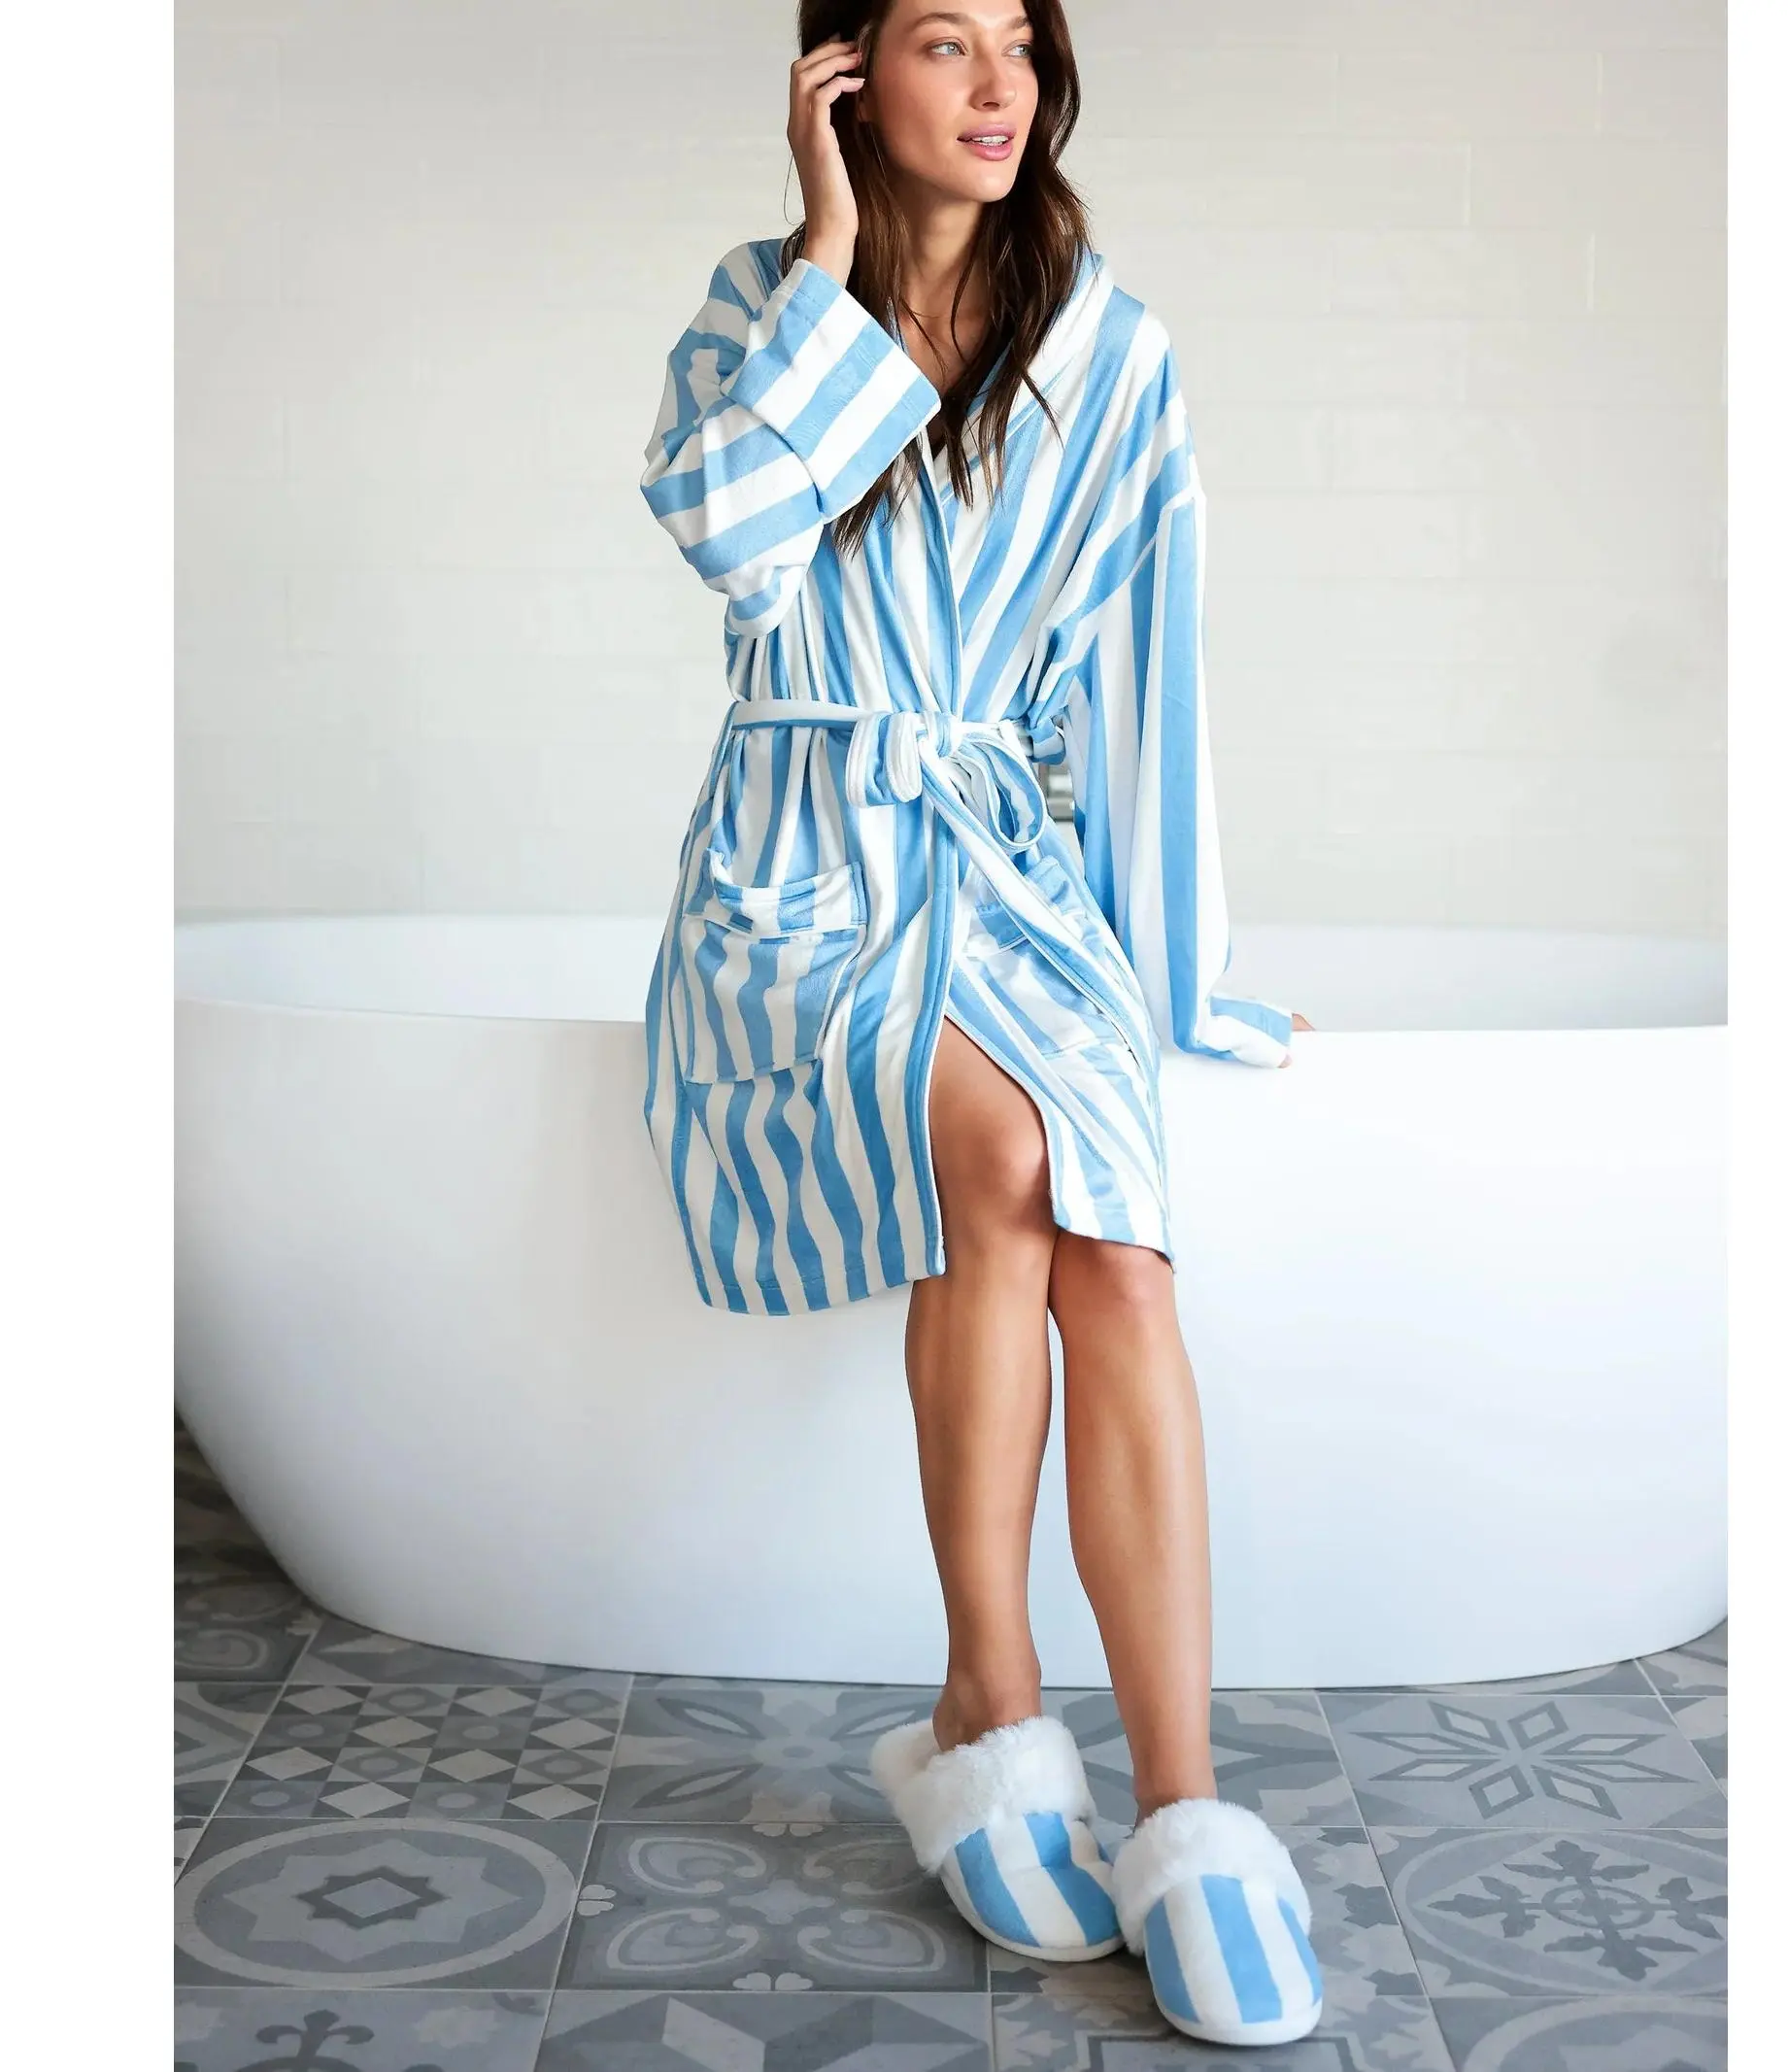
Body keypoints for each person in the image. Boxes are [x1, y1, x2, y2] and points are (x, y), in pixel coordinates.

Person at [637, 2, 1323, 2046]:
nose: (1001, 87)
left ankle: (1182, 1805)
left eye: (1021, 41)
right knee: (1004, 1151)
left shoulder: (1111, 349)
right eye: (946, 43)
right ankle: (990, 1700)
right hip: (795, 869)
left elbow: (1143, 676)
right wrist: (831, 255)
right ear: (846, 77)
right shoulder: (756, 309)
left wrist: (1171, 972)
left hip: (1005, 868)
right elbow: (729, 537)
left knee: (1112, 1234)